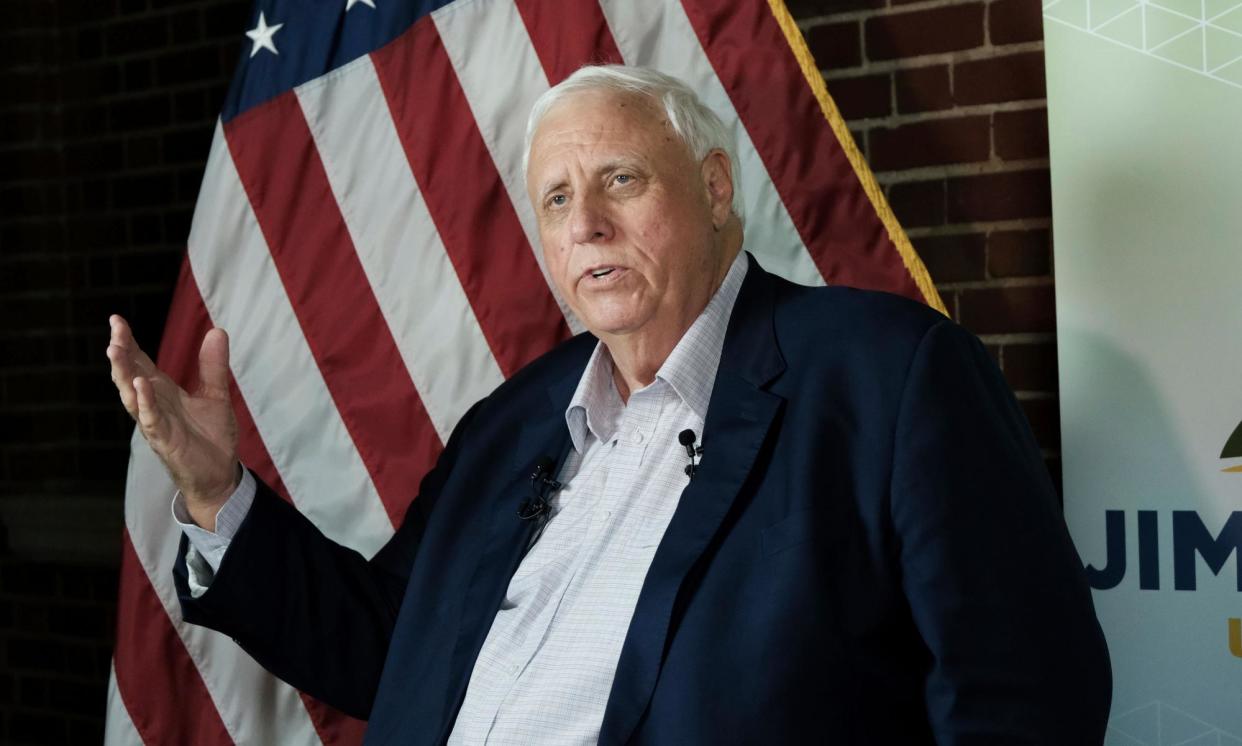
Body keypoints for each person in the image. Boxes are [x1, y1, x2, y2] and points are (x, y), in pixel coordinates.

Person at [107, 65, 1111, 744]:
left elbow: (1027, 695)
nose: (586, 224)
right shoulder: (511, 426)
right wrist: (217, 493)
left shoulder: (891, 379)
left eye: (620, 180)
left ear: (715, 187)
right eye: (556, 199)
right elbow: (388, 645)